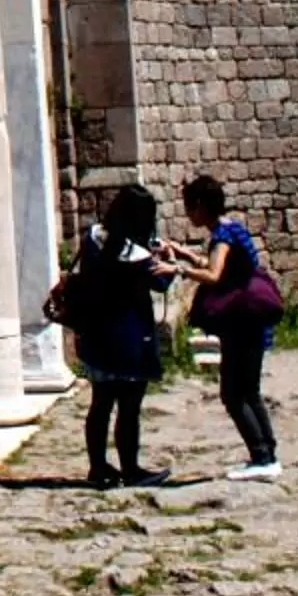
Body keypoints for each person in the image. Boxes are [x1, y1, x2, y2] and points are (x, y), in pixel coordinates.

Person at [167, 174, 280, 480]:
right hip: (251, 319)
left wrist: (179, 269)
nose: (189, 214)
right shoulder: (232, 228)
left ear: (202, 206)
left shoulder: (221, 237)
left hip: (241, 322)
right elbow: (222, 266)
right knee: (249, 391)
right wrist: (187, 254)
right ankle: (267, 455)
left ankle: (261, 457)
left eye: (190, 207)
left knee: (233, 393)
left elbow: (216, 274)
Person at [67, 182, 174, 488]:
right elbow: (160, 285)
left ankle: (98, 467)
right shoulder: (137, 253)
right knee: (129, 407)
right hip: (129, 337)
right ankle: (130, 468)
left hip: (96, 333)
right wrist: (165, 258)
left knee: (100, 404)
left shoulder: (93, 239)